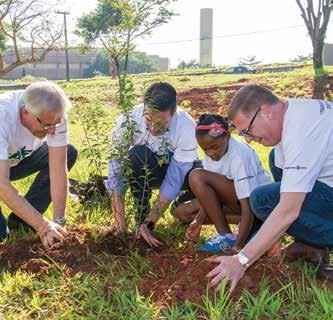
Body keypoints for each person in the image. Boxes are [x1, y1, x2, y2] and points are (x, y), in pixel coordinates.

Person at [207, 84, 333, 291]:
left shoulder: (302, 132)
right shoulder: (295, 111)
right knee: (276, 158)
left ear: (266, 112)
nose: (249, 139)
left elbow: (288, 209)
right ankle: (310, 244)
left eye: (248, 130)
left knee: (263, 200)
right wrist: (272, 235)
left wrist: (242, 260)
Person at [106, 82, 200, 247]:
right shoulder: (128, 119)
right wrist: (119, 220)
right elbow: (116, 168)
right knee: (137, 155)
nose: (154, 128)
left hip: (176, 172)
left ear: (173, 113)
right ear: (144, 108)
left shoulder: (186, 127)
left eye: (161, 122)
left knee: (199, 173)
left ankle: (177, 206)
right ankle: (139, 217)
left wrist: (150, 222)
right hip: (146, 170)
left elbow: (174, 179)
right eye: (149, 119)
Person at [173, 114, 271, 253]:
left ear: (227, 136)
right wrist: (198, 221)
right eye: (205, 149)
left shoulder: (239, 156)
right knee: (183, 212)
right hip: (235, 202)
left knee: (196, 176)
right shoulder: (210, 154)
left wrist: (238, 246)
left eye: (215, 147)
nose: (211, 153)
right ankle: (255, 227)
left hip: (257, 205)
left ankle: (229, 238)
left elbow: (248, 207)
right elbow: (209, 195)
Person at [0, 81, 78, 249]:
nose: (52, 131)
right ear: (25, 112)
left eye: (55, 124)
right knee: (1, 237)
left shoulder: (53, 115)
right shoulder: (3, 116)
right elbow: (2, 184)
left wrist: (58, 221)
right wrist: (43, 225)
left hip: (16, 161)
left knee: (69, 152)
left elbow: (58, 169)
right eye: (46, 125)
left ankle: (22, 221)